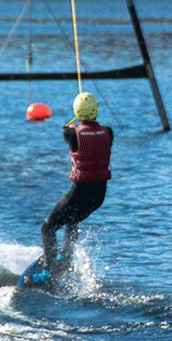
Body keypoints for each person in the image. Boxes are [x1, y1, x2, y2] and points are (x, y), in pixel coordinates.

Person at [33, 92, 113, 283]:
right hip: (98, 197)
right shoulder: (109, 132)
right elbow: (94, 137)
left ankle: (49, 271)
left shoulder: (71, 134)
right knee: (72, 219)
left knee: (48, 227)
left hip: (79, 193)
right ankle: (67, 257)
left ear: (76, 112)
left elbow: (69, 132)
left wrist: (72, 126)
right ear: (96, 110)